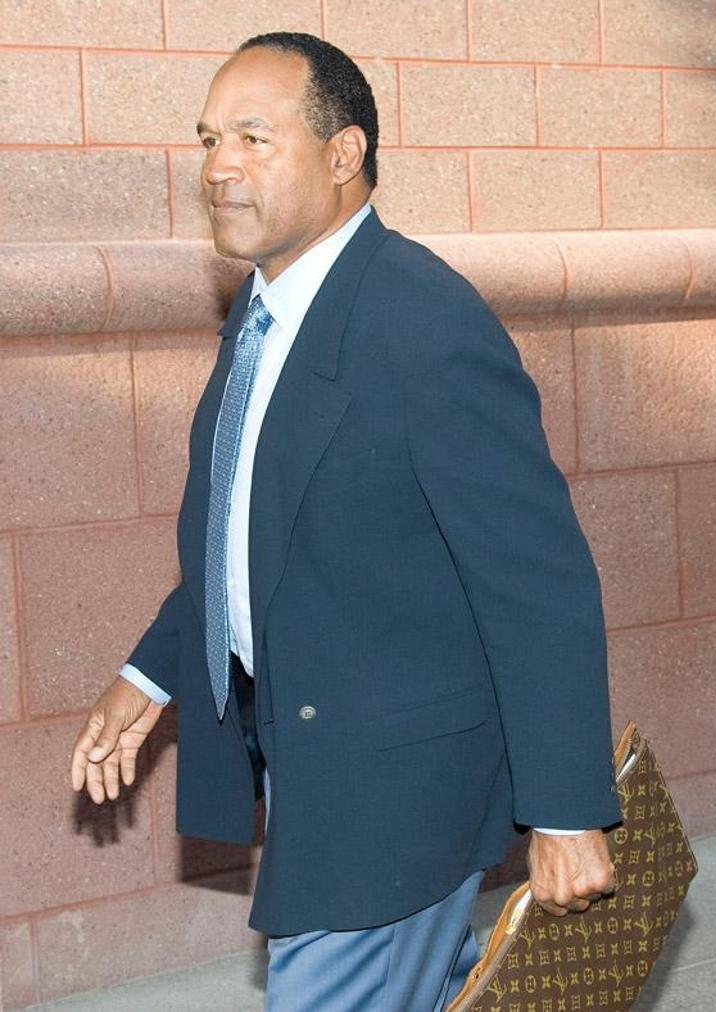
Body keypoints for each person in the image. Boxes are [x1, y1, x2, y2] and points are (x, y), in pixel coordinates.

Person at [71, 32, 621, 1011]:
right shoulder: (264, 313)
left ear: (343, 153)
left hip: (394, 787)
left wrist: (567, 810)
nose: (219, 167)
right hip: (316, 753)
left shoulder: (423, 320)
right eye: (208, 140)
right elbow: (248, 530)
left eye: (253, 137)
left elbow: (536, 580)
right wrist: (152, 672)